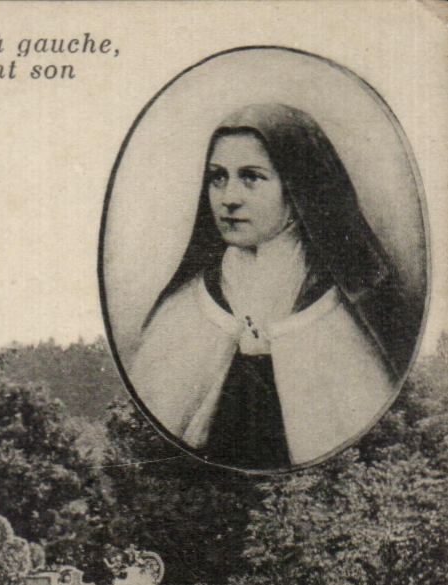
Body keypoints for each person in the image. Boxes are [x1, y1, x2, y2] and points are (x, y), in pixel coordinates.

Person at [127, 103, 423, 469]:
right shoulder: (183, 311)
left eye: (251, 177)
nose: (229, 197)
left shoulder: (345, 315)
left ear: (297, 189)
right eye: (218, 177)